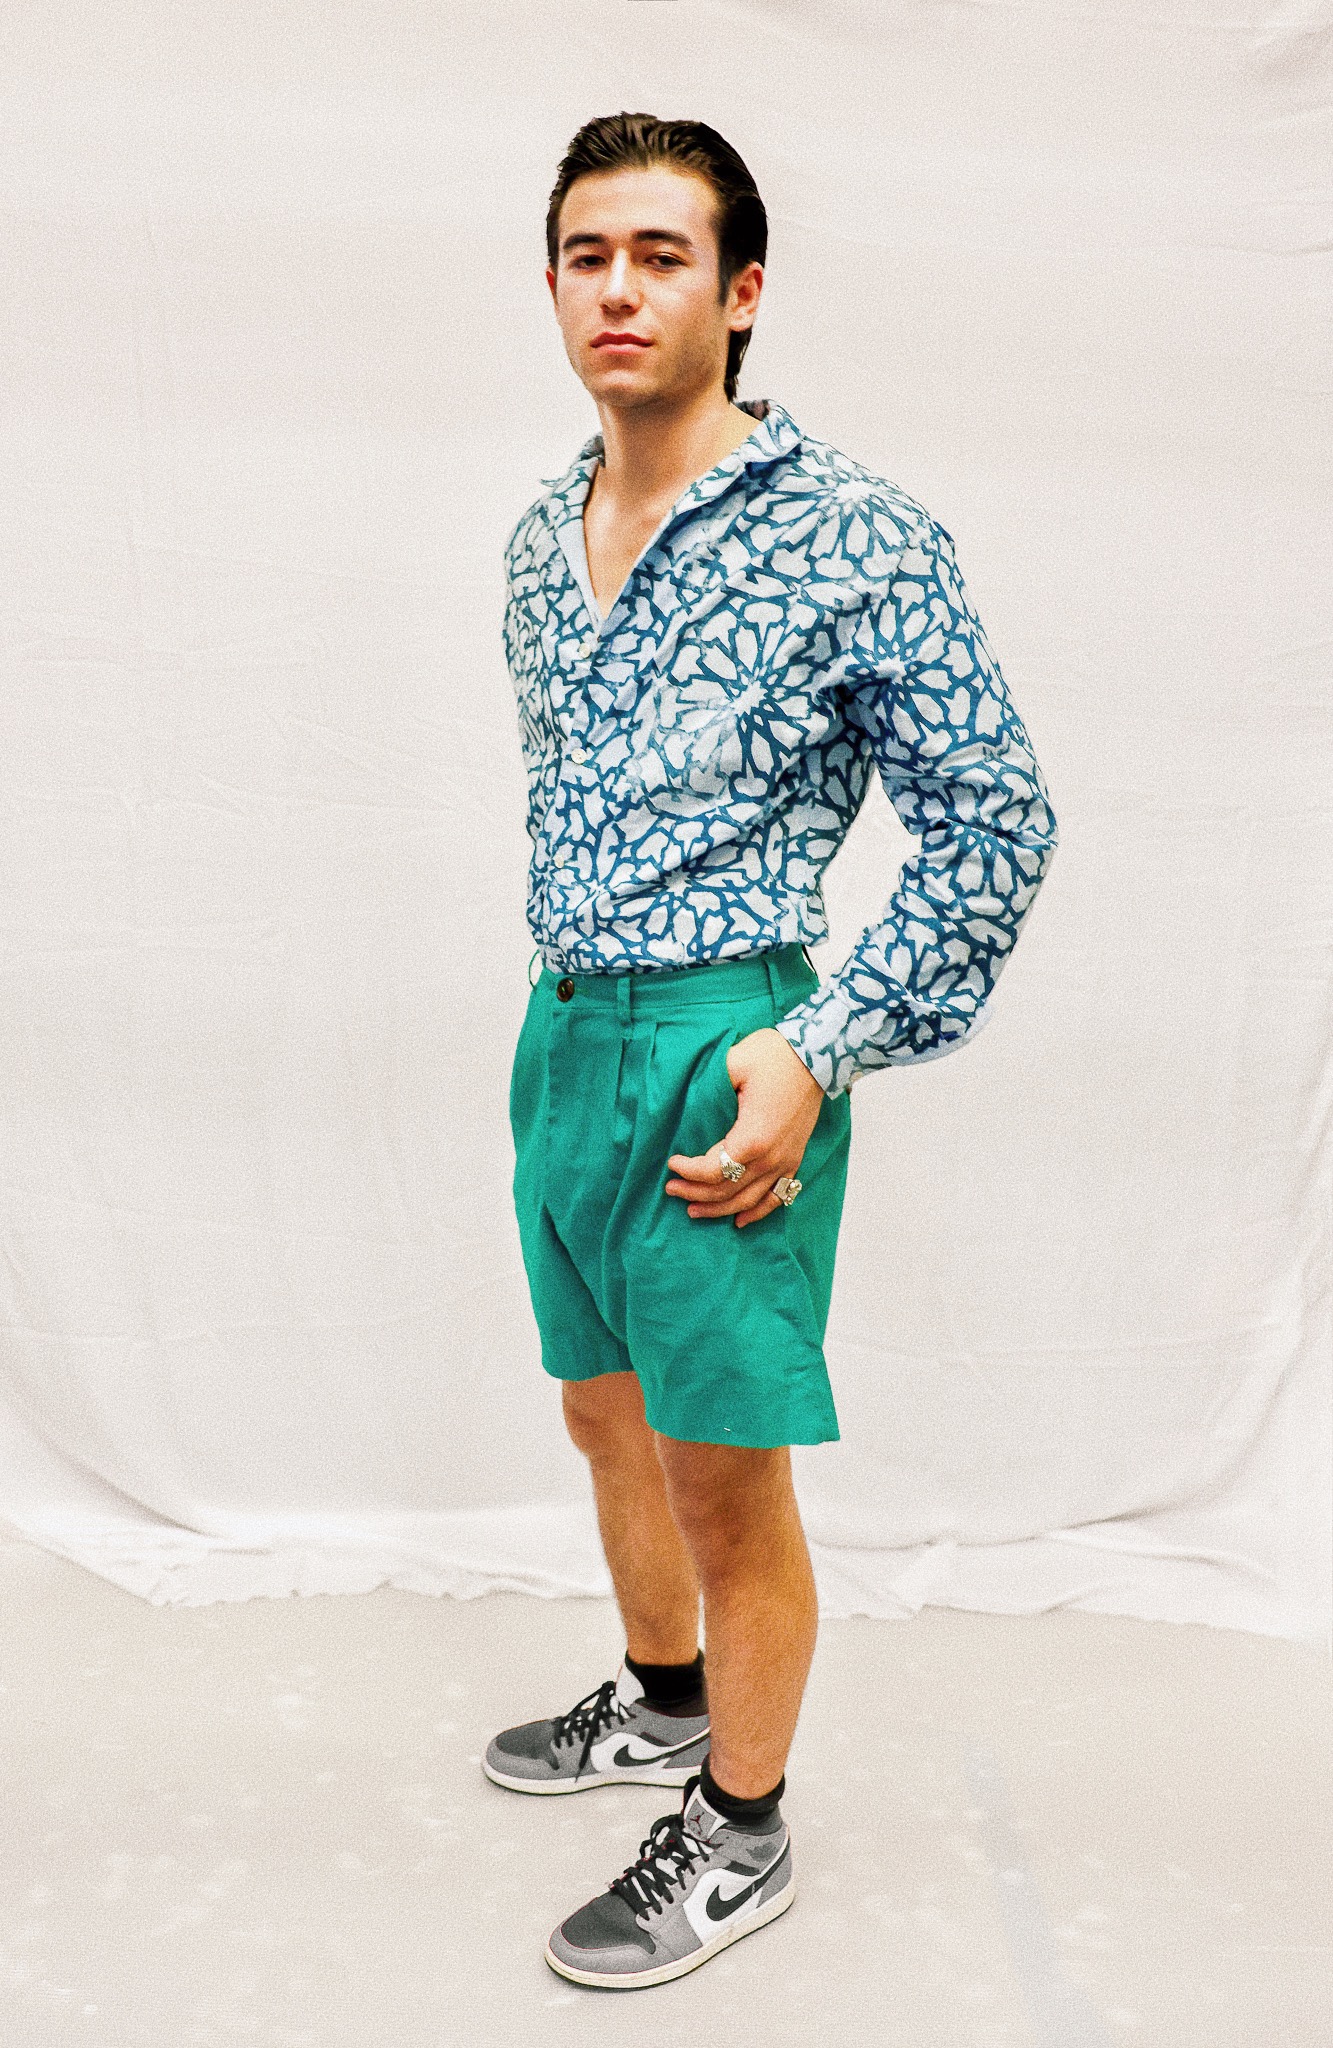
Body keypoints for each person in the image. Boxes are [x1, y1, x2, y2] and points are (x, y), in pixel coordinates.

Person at [487, 111, 1058, 1990]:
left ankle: (740, 1831)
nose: (619, 289)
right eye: (589, 255)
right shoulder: (539, 539)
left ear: (738, 294)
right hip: (562, 1036)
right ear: (552, 286)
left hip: (726, 1049)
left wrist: (818, 1048)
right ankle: (664, 1702)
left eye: (660, 256)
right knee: (602, 1412)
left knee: (722, 1470)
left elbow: (994, 820)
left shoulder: (852, 534)